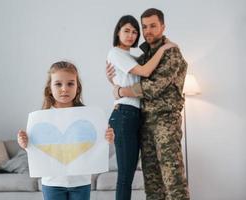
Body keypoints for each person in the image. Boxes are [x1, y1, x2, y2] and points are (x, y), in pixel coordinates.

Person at [107, 8, 190, 200]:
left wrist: (120, 91)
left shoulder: (171, 53)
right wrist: (112, 79)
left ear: (163, 26)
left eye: (153, 26)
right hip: (144, 122)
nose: (148, 31)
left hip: (165, 122)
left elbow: (152, 87)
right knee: (153, 184)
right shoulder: (144, 56)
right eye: (144, 27)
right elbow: (127, 74)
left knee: (173, 181)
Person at [17, 61, 115, 200]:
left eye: (70, 84)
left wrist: (108, 139)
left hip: (81, 182)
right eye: (58, 84)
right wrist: (25, 144)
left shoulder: (88, 118)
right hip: (52, 182)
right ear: (50, 88)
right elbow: (37, 150)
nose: (64, 89)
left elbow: (96, 145)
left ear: (77, 87)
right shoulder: (41, 120)